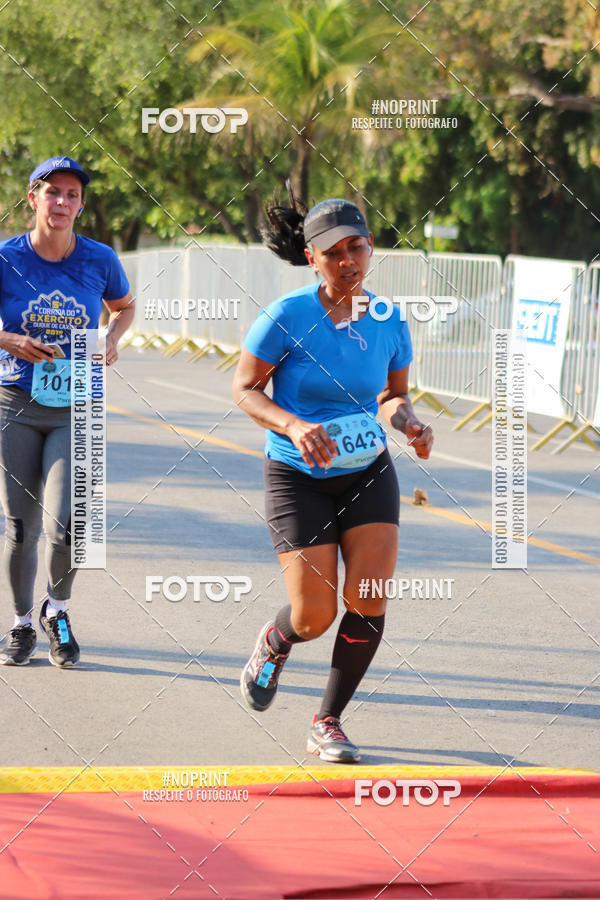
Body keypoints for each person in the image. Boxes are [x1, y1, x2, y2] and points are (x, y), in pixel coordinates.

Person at [233, 195, 433, 762]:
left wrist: (410, 423)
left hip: (366, 468)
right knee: (314, 616)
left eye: (356, 248)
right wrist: (294, 425)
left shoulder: (389, 319)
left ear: (370, 248)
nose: (347, 260)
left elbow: (392, 395)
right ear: (312, 258)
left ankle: (328, 720)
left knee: (368, 597)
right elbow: (244, 388)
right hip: (298, 474)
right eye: (333, 252)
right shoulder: (287, 317)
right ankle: (276, 640)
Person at [0, 156, 134, 667]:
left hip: (78, 404)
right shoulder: (6, 257)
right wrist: (10, 340)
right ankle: (20, 623)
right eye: (52, 192)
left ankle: (56, 610)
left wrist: (113, 338)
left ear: (80, 205)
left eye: (72, 195)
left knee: (73, 524)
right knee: (21, 526)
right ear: (33, 198)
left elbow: (124, 306)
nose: (62, 202)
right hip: (15, 401)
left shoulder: (100, 258)